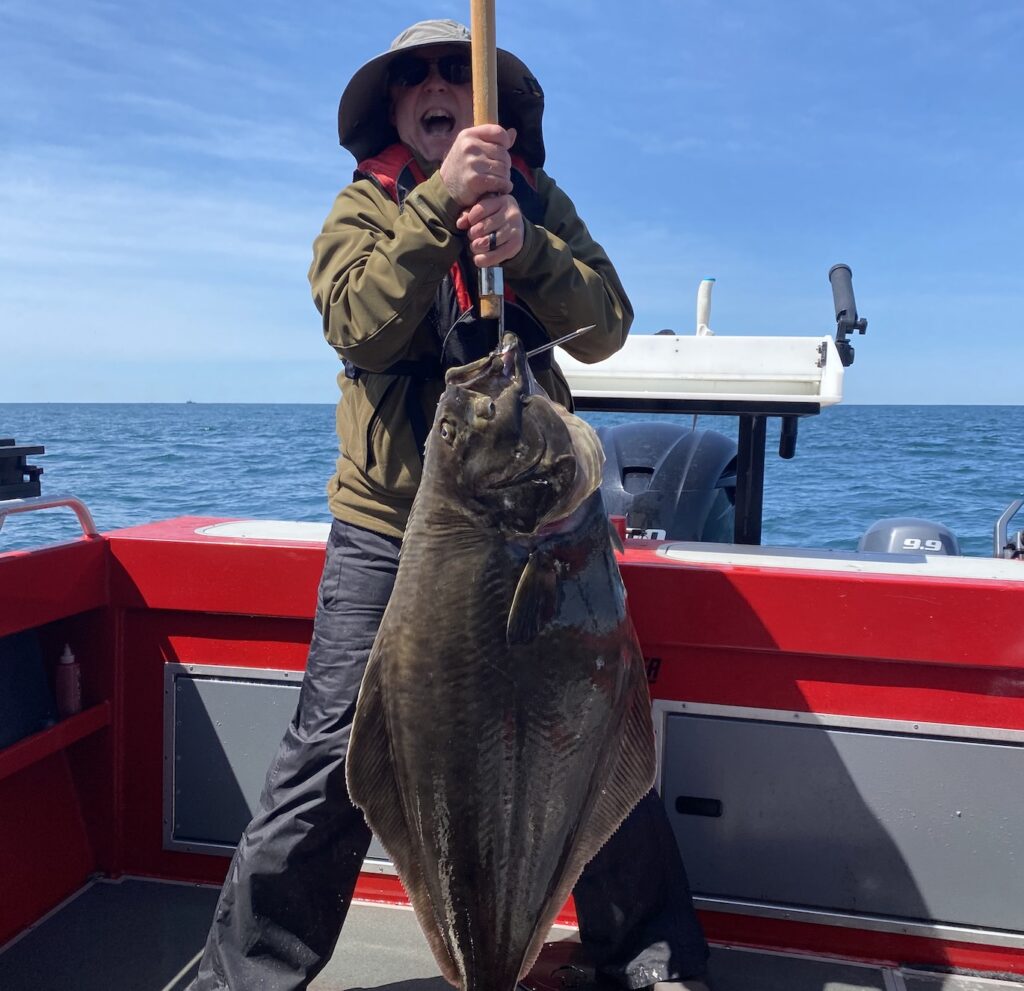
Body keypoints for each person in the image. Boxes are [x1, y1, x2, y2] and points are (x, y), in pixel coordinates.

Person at [188, 19, 711, 991]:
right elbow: (360, 325)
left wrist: (534, 248)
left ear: (494, 110)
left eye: (455, 73)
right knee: (334, 749)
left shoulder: (543, 201)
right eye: (414, 78)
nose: (437, 87)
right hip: (398, 533)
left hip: (548, 529)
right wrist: (436, 210)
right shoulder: (362, 209)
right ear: (393, 110)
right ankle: (244, 977)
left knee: (594, 729)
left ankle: (646, 953)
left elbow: (607, 328)